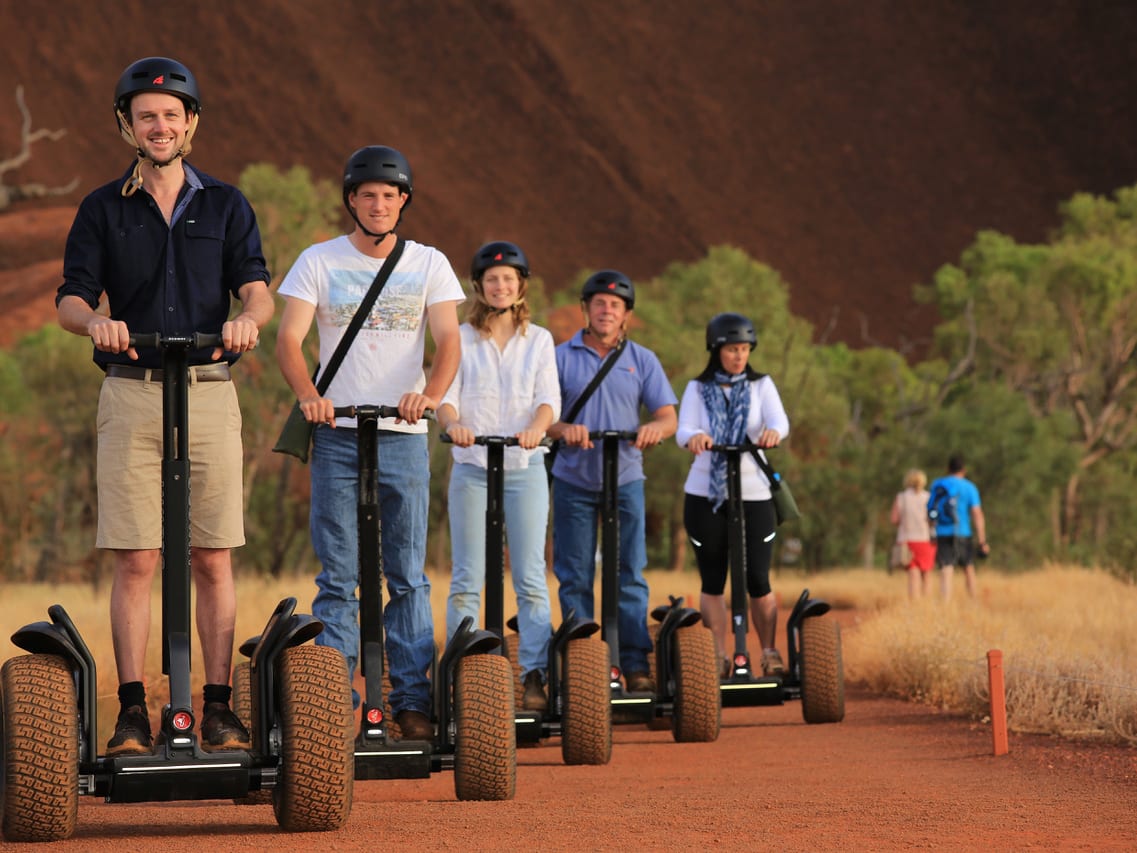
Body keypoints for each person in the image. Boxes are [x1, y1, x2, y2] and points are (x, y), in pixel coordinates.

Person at [56, 57, 273, 756]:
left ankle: (216, 708)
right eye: (146, 115)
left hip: (209, 392)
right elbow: (72, 293)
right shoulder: (101, 207)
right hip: (132, 391)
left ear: (191, 125)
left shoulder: (227, 205)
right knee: (138, 558)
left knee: (212, 556)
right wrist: (92, 321)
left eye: (171, 115)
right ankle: (130, 715)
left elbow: (257, 286)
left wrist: (249, 318)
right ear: (127, 124)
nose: (159, 126)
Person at [275, 145, 463, 741]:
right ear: (351, 201)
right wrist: (310, 394)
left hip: (403, 435)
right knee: (338, 576)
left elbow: (448, 341)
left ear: (403, 201)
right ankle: (334, 706)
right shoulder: (319, 260)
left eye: (390, 195)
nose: (379, 205)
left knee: (407, 573)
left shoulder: (429, 263)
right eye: (368, 195)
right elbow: (290, 338)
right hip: (337, 433)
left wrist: (429, 396)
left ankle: (411, 702)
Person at [437, 241, 560, 712]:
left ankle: (533, 676)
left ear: (521, 285)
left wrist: (536, 427)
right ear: (479, 287)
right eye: (492, 279)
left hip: (523, 468)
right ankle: (465, 674)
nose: (501, 285)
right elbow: (445, 393)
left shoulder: (541, 339)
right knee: (468, 576)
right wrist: (453, 424)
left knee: (529, 576)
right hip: (472, 468)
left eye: (508, 278)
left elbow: (549, 398)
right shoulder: (461, 337)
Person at [547, 270, 677, 694]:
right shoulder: (559, 356)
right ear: (585, 309)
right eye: (599, 303)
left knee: (629, 573)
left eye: (615, 305)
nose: (606, 311)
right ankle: (582, 666)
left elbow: (668, 415)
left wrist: (656, 428)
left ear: (626, 316)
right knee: (575, 574)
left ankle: (634, 663)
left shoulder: (643, 359)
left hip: (624, 478)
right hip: (573, 481)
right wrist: (564, 429)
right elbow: (542, 416)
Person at [676, 313, 789, 679]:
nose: (738, 357)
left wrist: (772, 432)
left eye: (743, 349)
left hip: (755, 492)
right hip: (706, 493)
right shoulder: (697, 388)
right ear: (716, 350)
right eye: (731, 350)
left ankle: (769, 652)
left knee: (758, 576)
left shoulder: (761, 385)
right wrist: (695, 437)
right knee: (712, 578)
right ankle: (719, 656)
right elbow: (684, 429)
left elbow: (780, 422)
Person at [927, 454, 989, 600]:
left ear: (948, 468)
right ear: (964, 470)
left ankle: (945, 604)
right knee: (968, 567)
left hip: (941, 532)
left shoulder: (937, 484)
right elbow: (977, 514)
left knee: (946, 568)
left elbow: (930, 510)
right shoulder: (969, 487)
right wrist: (982, 541)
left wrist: (930, 531)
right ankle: (974, 602)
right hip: (962, 532)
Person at [890, 468, 935, 599]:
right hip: (925, 540)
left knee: (913, 574)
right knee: (926, 574)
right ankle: (926, 606)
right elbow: (933, 520)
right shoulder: (928, 497)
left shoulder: (901, 497)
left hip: (907, 540)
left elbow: (894, 519)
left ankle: (913, 605)